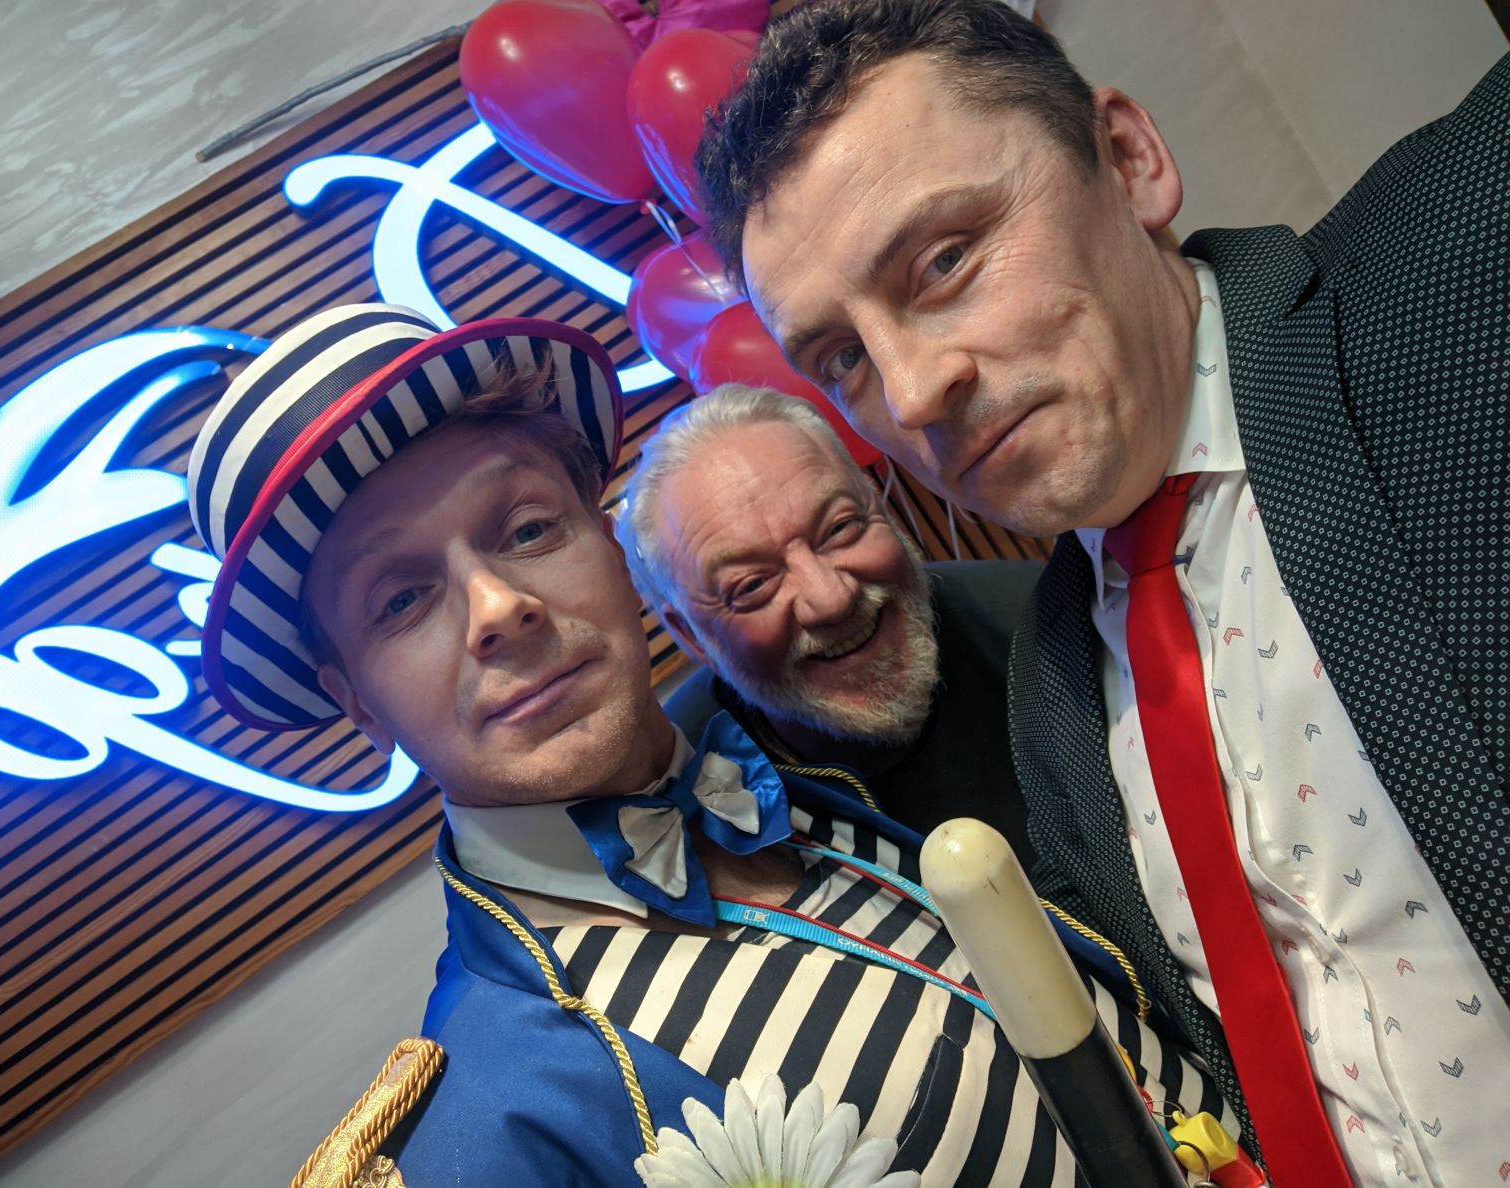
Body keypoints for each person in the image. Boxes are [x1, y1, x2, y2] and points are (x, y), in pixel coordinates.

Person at [695, 2, 1510, 1184]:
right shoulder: (1051, 689)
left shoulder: (1463, 261)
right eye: (844, 359)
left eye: (944, 260)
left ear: (1128, 160)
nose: (912, 394)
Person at [186, 305, 1231, 1185]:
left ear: (609, 547)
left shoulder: (795, 779)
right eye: (401, 598)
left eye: (528, 529)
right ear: (359, 703)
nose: (499, 606)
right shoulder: (494, 1125)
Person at [617, 383, 1042, 866]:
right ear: (693, 636)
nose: (833, 599)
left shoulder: (1049, 626)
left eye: (841, 528)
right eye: (753, 584)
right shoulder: (684, 820)